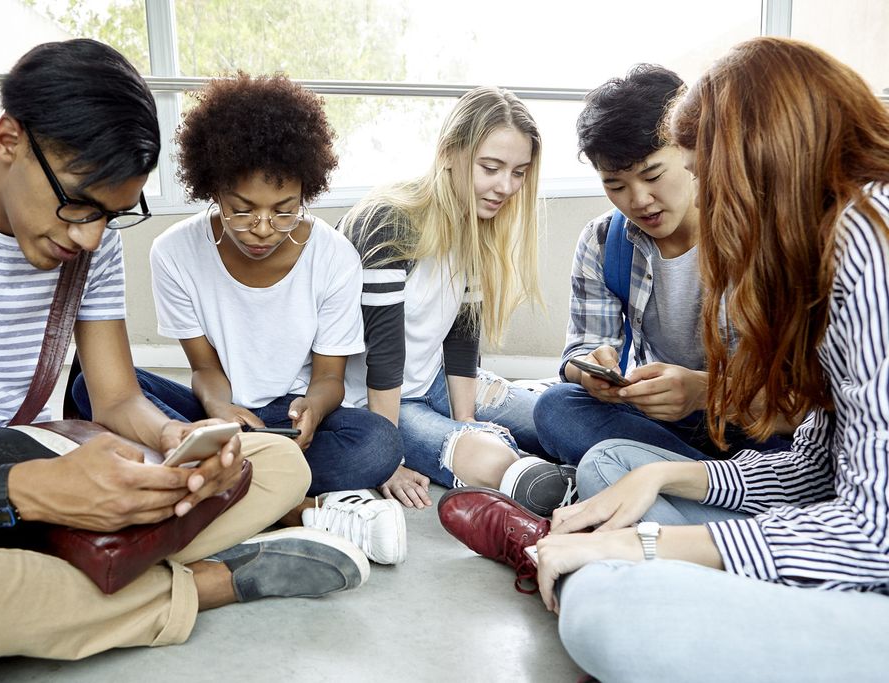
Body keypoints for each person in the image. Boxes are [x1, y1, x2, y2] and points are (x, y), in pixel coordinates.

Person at [0, 40, 367, 681]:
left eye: (113, 216)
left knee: (275, 463)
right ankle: (198, 586)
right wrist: (24, 492)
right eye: (77, 204)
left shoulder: (91, 242)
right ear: (9, 137)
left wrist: (174, 437)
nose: (90, 238)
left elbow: (117, 401)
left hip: (47, 477)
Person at [441, 38, 889, 682]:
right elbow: (815, 471)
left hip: (851, 543)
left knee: (606, 611)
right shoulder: (830, 235)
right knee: (612, 468)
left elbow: (872, 534)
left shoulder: (865, 242)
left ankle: (588, 564)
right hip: (812, 508)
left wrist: (643, 544)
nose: (714, 199)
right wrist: (661, 481)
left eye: (704, 173)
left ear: (769, 157)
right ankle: (614, 564)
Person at [73, 73, 406, 565]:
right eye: (242, 209)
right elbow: (205, 369)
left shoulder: (334, 256)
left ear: (305, 194)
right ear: (214, 189)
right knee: (87, 388)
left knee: (378, 444)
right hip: (214, 413)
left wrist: (312, 409)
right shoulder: (175, 253)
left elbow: (330, 377)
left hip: (288, 418)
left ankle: (213, 486)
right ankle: (294, 506)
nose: (263, 228)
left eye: (284, 210)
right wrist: (218, 411)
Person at [534, 64, 792, 466]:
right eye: (615, 186)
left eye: (653, 175)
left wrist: (704, 391)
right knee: (557, 407)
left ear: (693, 151)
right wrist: (590, 373)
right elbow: (581, 349)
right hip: (663, 421)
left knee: (805, 450)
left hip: (755, 421)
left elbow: (803, 402)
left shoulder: (764, 234)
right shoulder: (604, 241)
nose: (638, 200)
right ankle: (714, 485)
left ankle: (663, 480)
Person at [340, 86, 576, 516]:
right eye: (491, 167)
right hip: (371, 400)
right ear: (449, 151)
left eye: (519, 172)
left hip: (435, 378)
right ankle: (587, 499)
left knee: (561, 421)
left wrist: (465, 418)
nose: (506, 186)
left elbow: (462, 340)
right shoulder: (389, 219)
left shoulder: (478, 223)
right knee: (500, 463)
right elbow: (385, 353)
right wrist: (383, 455)